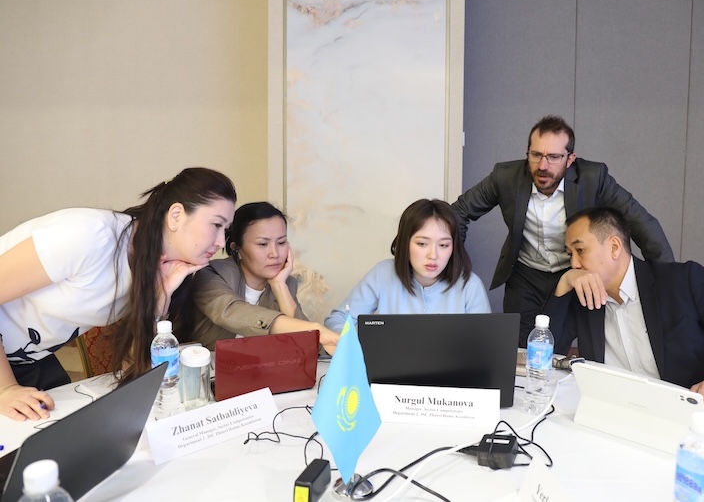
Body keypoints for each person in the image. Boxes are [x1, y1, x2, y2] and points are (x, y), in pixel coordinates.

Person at [0, 167, 237, 421]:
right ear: (176, 215)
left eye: (226, 230)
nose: (221, 242)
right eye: (215, 225)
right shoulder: (88, 235)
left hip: (28, 359)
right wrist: (6, 389)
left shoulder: (162, 269)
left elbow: (134, 369)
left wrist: (161, 297)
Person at [452, 114, 674, 347]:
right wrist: (453, 264)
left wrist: (667, 283)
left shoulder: (593, 178)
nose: (543, 166)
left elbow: (641, 223)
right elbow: (459, 211)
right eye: (536, 155)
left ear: (570, 159)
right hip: (525, 276)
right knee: (520, 352)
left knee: (557, 348)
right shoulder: (505, 177)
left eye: (554, 157)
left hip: (575, 273)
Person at [543, 207, 704, 412]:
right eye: (569, 254)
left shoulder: (684, 281)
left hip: (694, 417)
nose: (574, 264)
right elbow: (542, 353)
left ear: (615, 247)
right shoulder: (584, 296)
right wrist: (562, 286)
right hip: (616, 418)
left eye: (580, 251)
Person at [191, 202, 339, 353]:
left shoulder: (287, 284)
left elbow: (305, 348)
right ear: (237, 249)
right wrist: (314, 328)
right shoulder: (212, 274)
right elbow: (231, 312)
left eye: (281, 242)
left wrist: (280, 286)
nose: (274, 254)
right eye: (262, 244)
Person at [324, 199, 491, 332]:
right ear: (405, 242)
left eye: (443, 245)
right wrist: (351, 347)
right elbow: (338, 320)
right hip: (388, 372)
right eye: (422, 244)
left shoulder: (470, 285)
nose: (433, 255)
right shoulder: (382, 274)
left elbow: (486, 341)